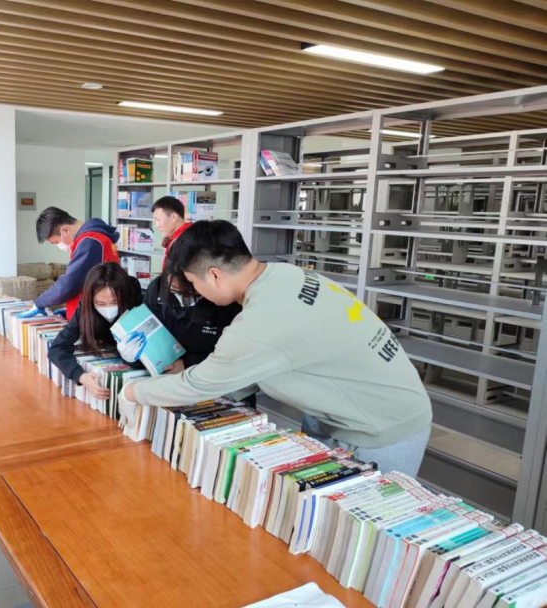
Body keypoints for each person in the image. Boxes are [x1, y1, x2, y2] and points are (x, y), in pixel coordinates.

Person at [119, 220, 432, 477]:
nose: (195, 292)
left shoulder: (260, 320)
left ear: (214, 275)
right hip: (348, 409)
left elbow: (199, 385)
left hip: (382, 426)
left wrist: (133, 392)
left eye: (193, 283)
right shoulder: (285, 274)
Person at [116, 266, 242, 375]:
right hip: (164, 377)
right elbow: (147, 342)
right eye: (172, 288)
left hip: (208, 378)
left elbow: (235, 356)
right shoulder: (157, 288)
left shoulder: (224, 300)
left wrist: (188, 364)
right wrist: (132, 357)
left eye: (186, 292)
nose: (178, 296)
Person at [48, 263, 142, 400]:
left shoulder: (139, 306)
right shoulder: (85, 309)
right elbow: (57, 348)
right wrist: (81, 376)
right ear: (90, 300)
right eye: (100, 304)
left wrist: (132, 359)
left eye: (115, 302)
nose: (108, 309)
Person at [19, 207, 120, 320]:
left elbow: (70, 283)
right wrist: (71, 308)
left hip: (95, 317)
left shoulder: (90, 242)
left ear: (65, 230)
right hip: (95, 310)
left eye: (56, 242)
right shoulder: (97, 238)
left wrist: (40, 303)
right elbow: (87, 280)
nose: (59, 246)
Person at [152, 195, 192, 269]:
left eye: (158, 219)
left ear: (174, 217)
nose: (157, 225)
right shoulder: (177, 237)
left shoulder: (185, 241)